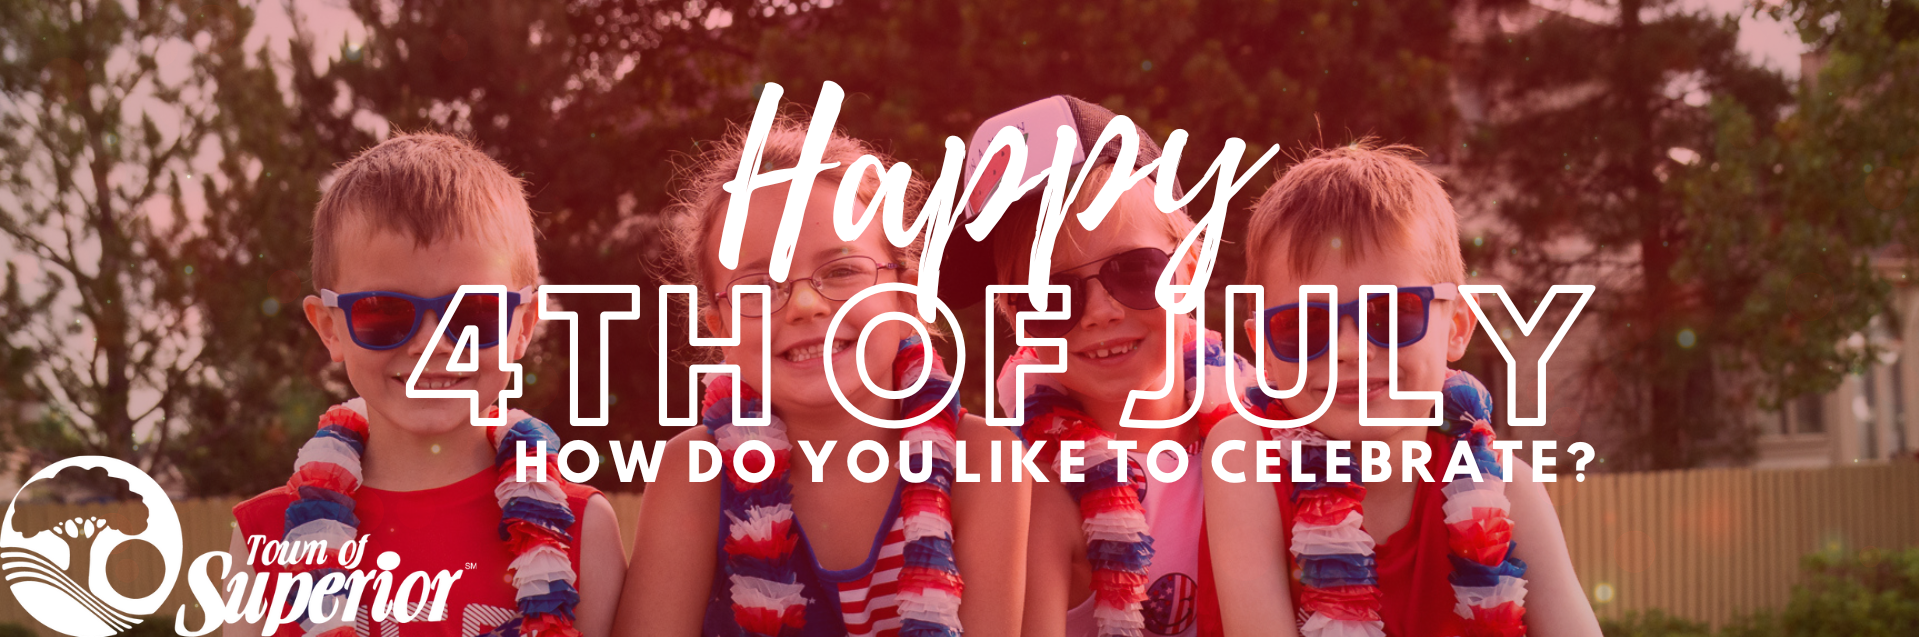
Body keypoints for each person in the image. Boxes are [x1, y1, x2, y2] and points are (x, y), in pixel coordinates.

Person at [616, 117, 1028, 637]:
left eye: (840, 271)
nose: (805, 305)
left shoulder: (984, 461)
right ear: (719, 329)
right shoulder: (693, 474)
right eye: (758, 286)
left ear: (910, 294)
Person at [230, 132, 626, 637]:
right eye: (383, 312)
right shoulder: (265, 539)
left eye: (473, 312)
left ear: (523, 326)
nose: (432, 343)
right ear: (330, 327)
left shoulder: (578, 529)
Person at [1202, 142, 1598, 636]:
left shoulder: (1508, 489)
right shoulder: (1244, 457)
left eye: (1391, 314)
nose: (1349, 349)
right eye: (1303, 327)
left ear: (1456, 326)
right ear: (1264, 347)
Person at [937, 96, 1244, 637]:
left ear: (1190, 268)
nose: (1102, 312)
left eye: (1135, 270)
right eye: (1047, 294)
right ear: (1013, 316)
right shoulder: (1021, 491)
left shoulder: (1277, 423)